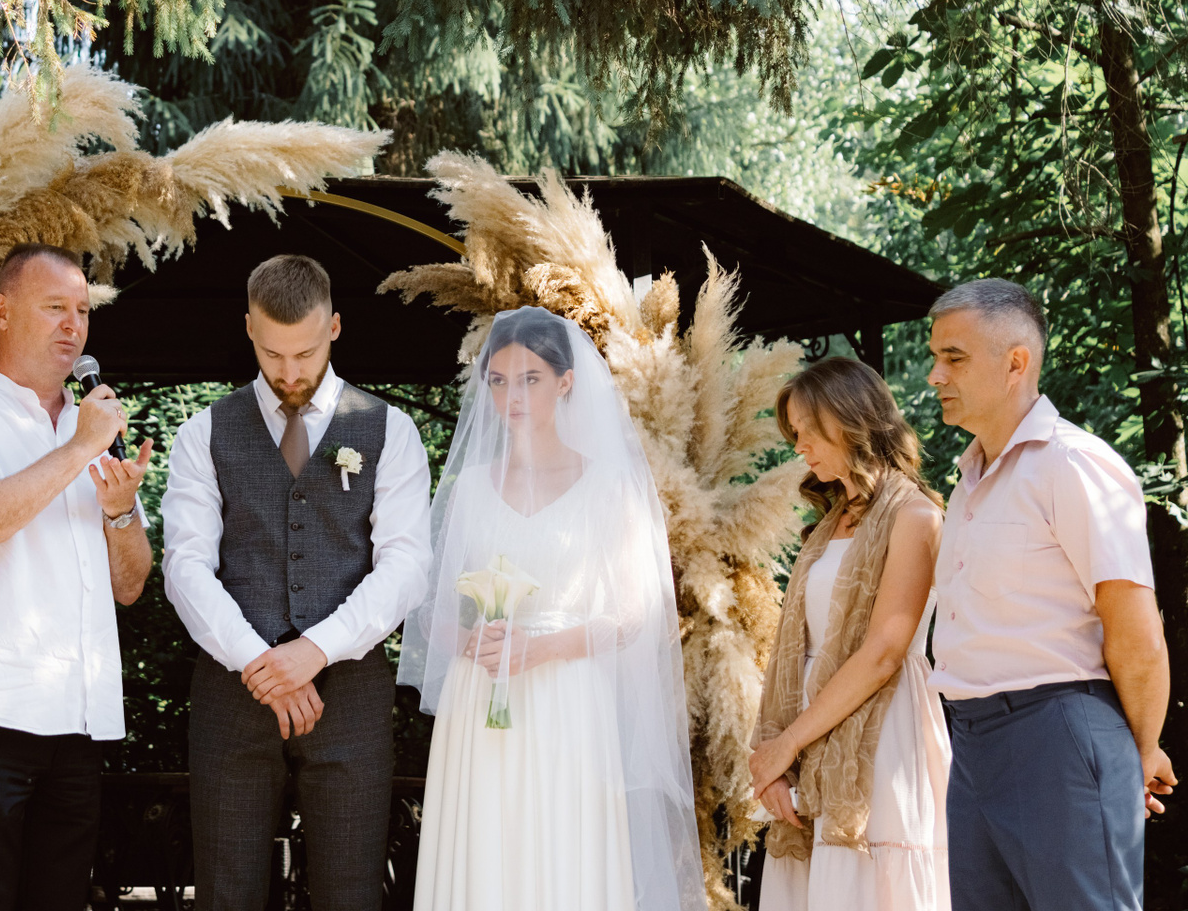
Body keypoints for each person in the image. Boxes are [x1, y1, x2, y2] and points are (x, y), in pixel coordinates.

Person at [400, 306, 703, 911]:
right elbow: (428, 607)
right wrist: (471, 642)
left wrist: (540, 649)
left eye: (530, 379)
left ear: (565, 382)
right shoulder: (470, 490)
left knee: (563, 857)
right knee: (486, 857)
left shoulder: (608, 485)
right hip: (480, 694)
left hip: (567, 697)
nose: (512, 396)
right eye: (499, 381)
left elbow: (634, 614)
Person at [163, 254, 432, 911]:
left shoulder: (390, 430)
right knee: (226, 895)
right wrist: (257, 661)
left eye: (306, 353)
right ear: (248, 329)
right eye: (272, 353)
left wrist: (314, 651)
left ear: (334, 327)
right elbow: (185, 565)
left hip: (352, 695)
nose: (289, 372)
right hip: (233, 693)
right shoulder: (204, 432)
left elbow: (405, 566)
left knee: (351, 892)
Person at [0, 243, 154, 911]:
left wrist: (119, 510)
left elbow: (131, 585)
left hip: (78, 718)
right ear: (3, 311)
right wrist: (79, 449)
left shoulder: (94, 427)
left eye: (83, 310)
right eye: (54, 307)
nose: (73, 325)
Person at [927, 278, 1174, 910]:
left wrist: (1137, 753)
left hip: (1058, 735)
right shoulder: (967, 481)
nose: (934, 376)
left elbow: (1136, 633)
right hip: (971, 743)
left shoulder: (1073, 463)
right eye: (934, 357)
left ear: (1016, 363)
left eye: (954, 357)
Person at [750, 356, 950, 911]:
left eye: (809, 430)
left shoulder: (915, 517)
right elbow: (799, 651)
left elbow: (884, 652)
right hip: (808, 731)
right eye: (794, 433)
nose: (799, 446)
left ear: (851, 420)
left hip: (881, 735)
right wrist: (778, 756)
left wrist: (786, 744)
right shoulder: (827, 524)